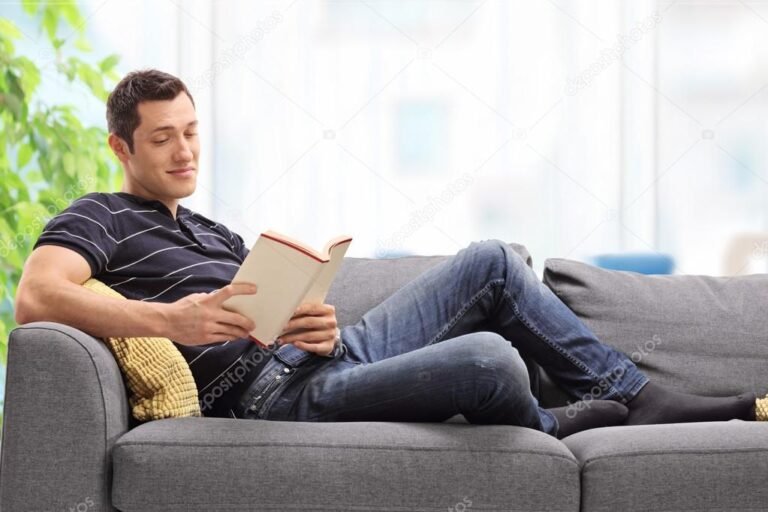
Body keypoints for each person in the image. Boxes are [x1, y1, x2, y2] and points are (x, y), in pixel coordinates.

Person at [14, 69, 757, 439]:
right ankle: (556, 423)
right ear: (121, 147)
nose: (185, 150)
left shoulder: (212, 232)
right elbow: (36, 298)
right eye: (162, 137)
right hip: (267, 401)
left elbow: (268, 319)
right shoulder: (99, 216)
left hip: (317, 361)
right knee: (490, 359)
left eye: (192, 130)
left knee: (494, 259)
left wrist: (316, 327)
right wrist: (170, 321)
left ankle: (631, 394)